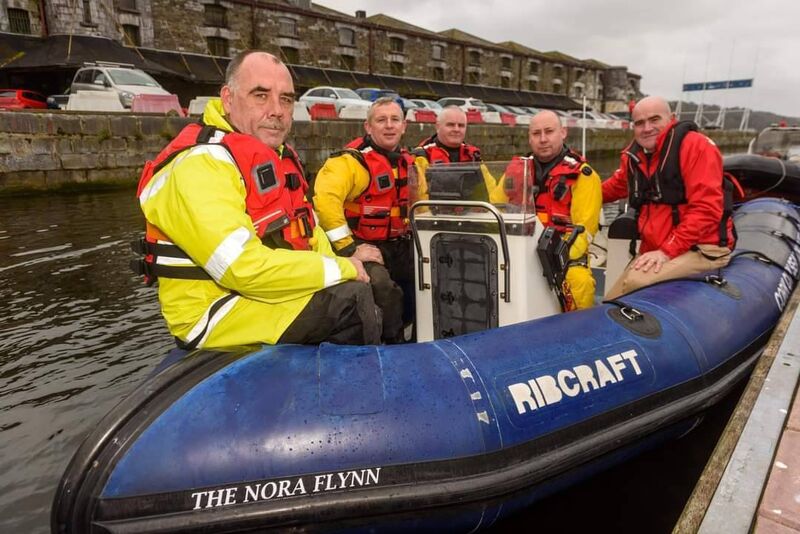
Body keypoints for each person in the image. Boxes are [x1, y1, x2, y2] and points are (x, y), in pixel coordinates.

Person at [133, 50, 381, 348]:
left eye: (286, 99)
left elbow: (308, 231)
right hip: (216, 311)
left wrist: (345, 260)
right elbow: (241, 267)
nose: (277, 110)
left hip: (256, 289)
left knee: (375, 279)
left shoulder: (271, 156)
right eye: (261, 96)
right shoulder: (199, 165)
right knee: (351, 301)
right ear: (228, 99)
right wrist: (344, 269)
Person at [602, 96, 736, 299]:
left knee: (637, 282)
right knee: (611, 299)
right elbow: (614, 187)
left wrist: (666, 251)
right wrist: (576, 192)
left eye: (654, 119)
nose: (647, 128)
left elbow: (706, 209)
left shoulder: (696, 147)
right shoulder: (635, 157)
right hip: (657, 249)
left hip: (702, 249)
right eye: (639, 123)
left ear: (671, 118)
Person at [313, 97, 415, 343]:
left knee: (431, 276)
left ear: (404, 126)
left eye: (395, 120)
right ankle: (393, 346)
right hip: (363, 243)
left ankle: (420, 335)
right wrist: (350, 249)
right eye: (381, 120)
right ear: (368, 127)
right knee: (383, 288)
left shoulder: (411, 163)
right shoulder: (349, 163)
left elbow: (422, 202)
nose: (389, 125)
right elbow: (325, 202)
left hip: (401, 242)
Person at [491, 110, 602, 310]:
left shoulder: (583, 176)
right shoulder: (516, 171)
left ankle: (574, 327)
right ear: (529, 138)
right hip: (517, 249)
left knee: (579, 283)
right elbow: (494, 209)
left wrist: (552, 258)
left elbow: (584, 231)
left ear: (563, 132)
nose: (543, 139)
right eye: (536, 133)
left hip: (560, 256)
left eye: (549, 131)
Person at [412, 105, 496, 198]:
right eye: (450, 125)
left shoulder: (473, 156)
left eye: (461, 125)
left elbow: (491, 191)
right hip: (435, 207)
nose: (456, 129)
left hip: (470, 207)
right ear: (438, 126)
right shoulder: (422, 156)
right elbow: (418, 198)